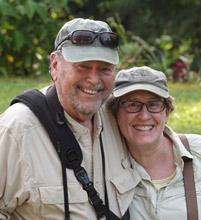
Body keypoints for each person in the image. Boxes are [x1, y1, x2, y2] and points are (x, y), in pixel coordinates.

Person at [0, 18, 138, 220]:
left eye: (105, 68)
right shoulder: (17, 130)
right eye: (83, 66)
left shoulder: (120, 118)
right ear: (55, 65)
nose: (94, 79)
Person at [107, 66, 201, 220]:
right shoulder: (106, 168)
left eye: (154, 104)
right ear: (115, 113)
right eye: (132, 105)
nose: (144, 116)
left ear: (167, 112)